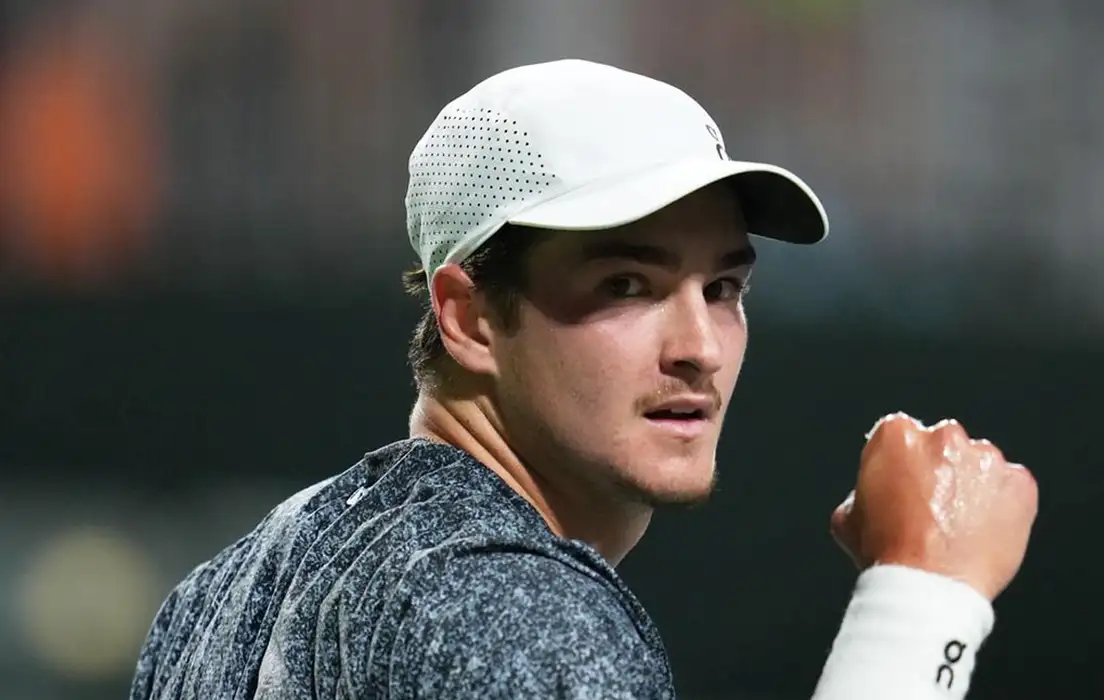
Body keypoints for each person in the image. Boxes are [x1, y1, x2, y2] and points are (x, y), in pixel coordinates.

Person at [130, 59, 1039, 699]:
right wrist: (920, 601)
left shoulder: (218, 595)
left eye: (723, 288)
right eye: (627, 285)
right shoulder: (511, 609)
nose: (700, 347)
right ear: (469, 317)